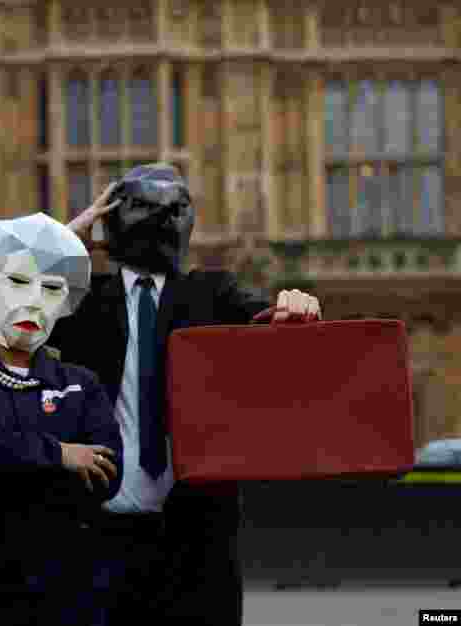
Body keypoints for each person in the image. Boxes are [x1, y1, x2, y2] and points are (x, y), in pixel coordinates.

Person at [55, 163, 321, 625]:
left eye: (175, 207)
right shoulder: (80, 300)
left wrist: (296, 305)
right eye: (142, 207)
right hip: (100, 534)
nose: (160, 219)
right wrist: (66, 239)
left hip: (198, 536)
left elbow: (278, 329)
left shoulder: (214, 292)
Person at [0, 212, 122, 626]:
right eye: (19, 282)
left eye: (53, 288)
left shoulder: (81, 384)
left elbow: (108, 475)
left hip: (71, 593)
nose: (35, 299)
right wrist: (57, 455)